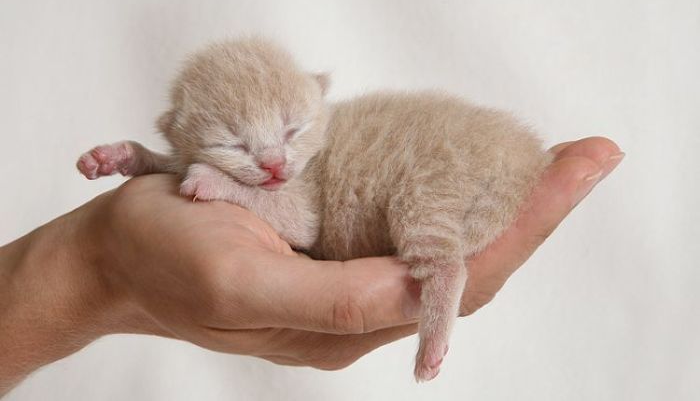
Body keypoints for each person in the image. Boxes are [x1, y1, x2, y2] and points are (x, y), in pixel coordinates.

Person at [0, 137, 622, 395]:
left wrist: (99, 259)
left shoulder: (309, 158)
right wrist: (99, 256)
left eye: (290, 133)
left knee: (422, 211)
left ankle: (441, 275)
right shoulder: (218, 148)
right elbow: (199, 161)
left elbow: (297, 220)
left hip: (426, 181)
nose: (274, 163)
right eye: (235, 145)